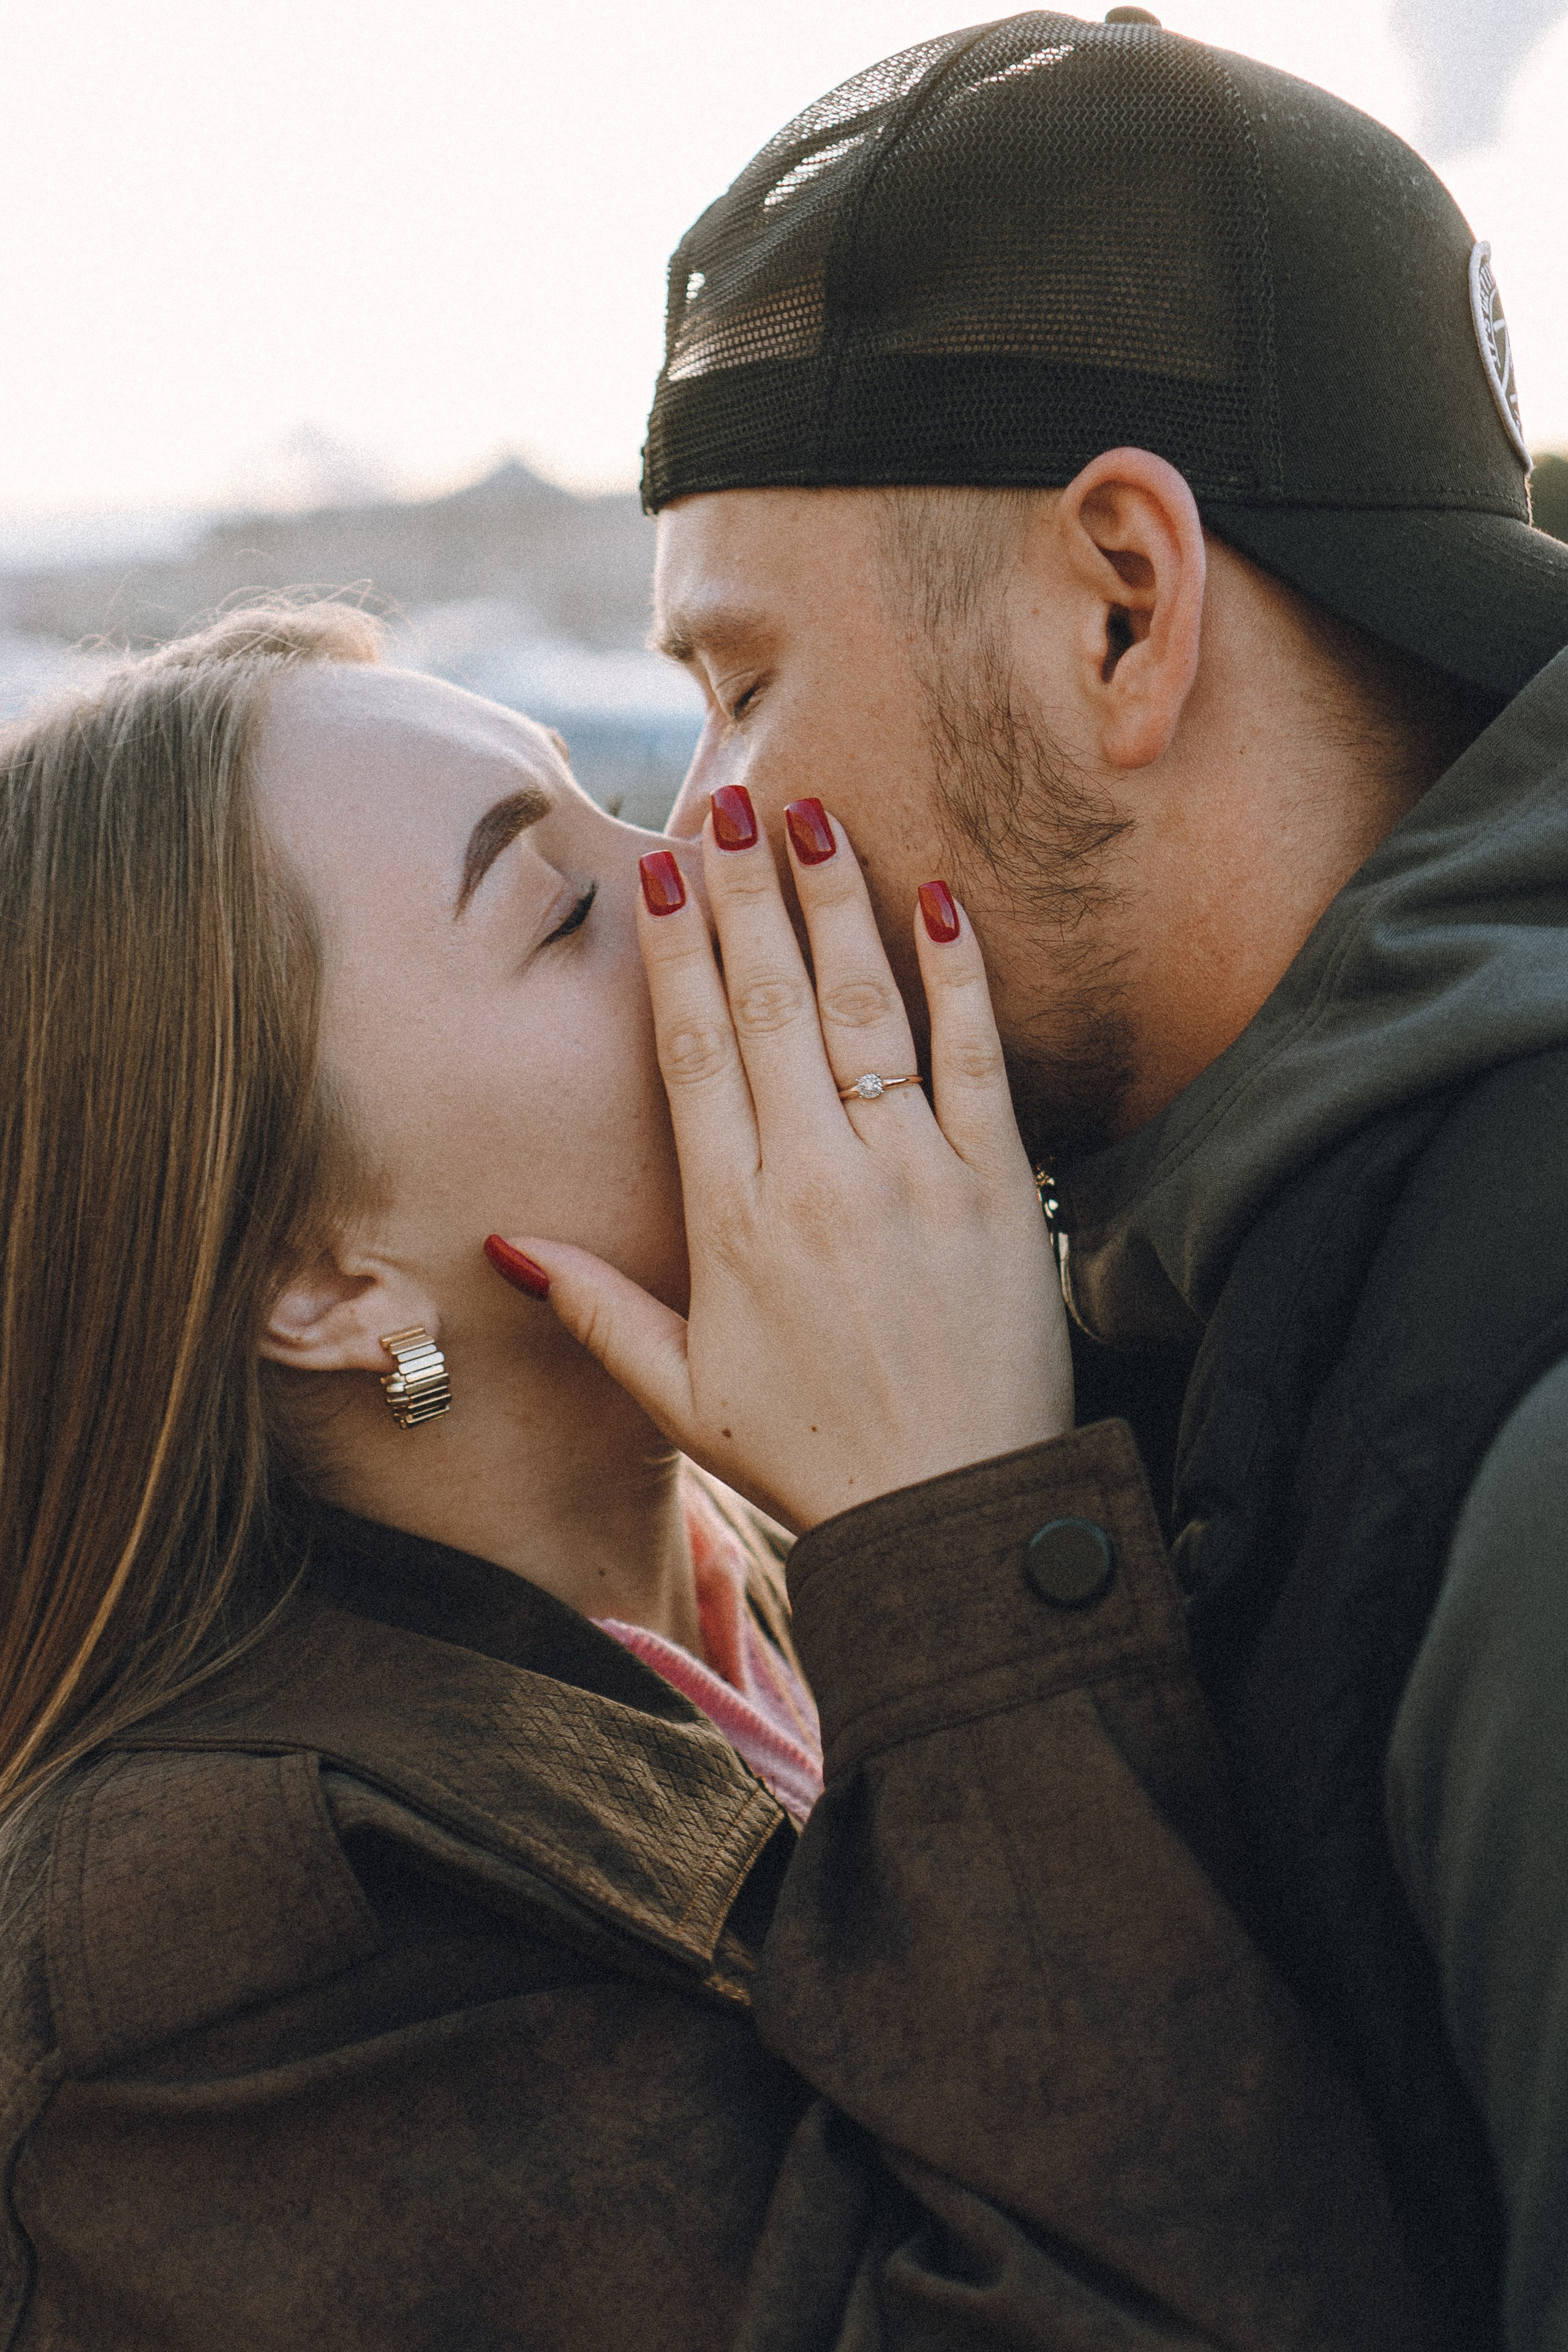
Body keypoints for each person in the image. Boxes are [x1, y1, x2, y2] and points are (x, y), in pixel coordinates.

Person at [0, 604, 1425, 2348]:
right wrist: (959, 1536)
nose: (686, 856)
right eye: (567, 907)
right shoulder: (206, 1956)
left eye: (603, 794)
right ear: (326, 1281)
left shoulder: (776, 1547)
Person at [519, 11, 1568, 2351]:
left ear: (1122, 605)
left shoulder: (1529, 1403)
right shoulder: (1214, 1247)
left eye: (742, 681)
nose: (694, 828)